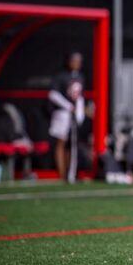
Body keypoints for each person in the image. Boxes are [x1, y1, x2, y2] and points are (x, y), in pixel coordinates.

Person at [48, 52, 85, 182]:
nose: (77, 63)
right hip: (62, 114)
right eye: (74, 60)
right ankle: (62, 174)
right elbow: (53, 94)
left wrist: (79, 112)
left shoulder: (79, 77)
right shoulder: (61, 76)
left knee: (72, 144)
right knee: (61, 142)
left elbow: (79, 97)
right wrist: (69, 107)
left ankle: (70, 174)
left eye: (79, 61)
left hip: (74, 116)